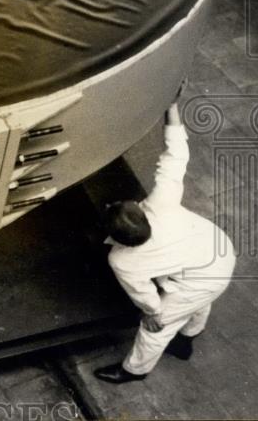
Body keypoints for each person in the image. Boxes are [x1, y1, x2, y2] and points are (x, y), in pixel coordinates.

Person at [95, 101, 236, 383]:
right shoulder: (161, 202)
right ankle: (187, 340)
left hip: (199, 276)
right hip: (217, 252)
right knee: (197, 298)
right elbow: (176, 156)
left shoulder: (123, 260)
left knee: (156, 328)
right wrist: (171, 107)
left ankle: (134, 370)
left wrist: (154, 312)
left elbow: (143, 293)